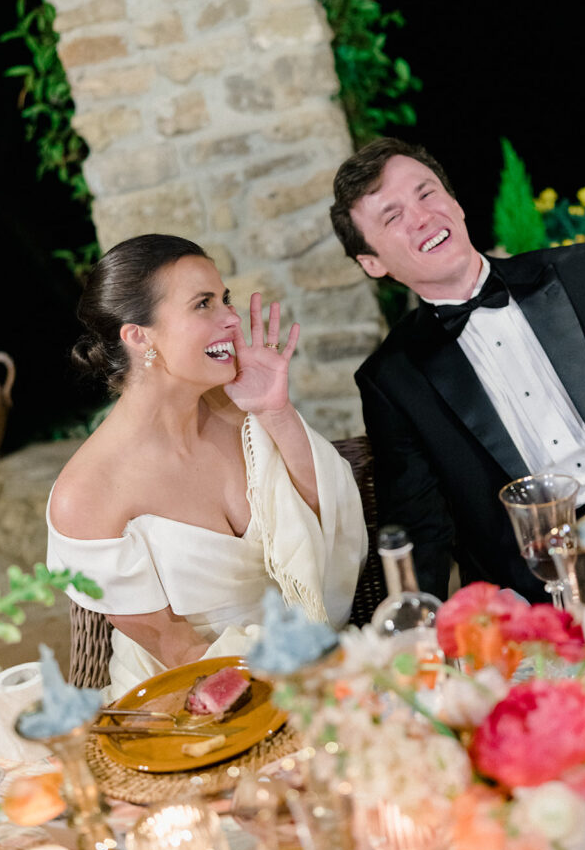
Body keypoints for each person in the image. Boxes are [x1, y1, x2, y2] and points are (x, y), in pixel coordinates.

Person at [330, 137, 585, 603]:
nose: (422, 217)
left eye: (427, 192)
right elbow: (422, 526)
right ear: (371, 262)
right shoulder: (393, 380)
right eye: (392, 217)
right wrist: (414, 630)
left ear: (455, 203)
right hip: (542, 587)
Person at [47, 234, 367, 699]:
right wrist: (293, 681)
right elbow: (176, 649)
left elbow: (330, 524)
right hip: (190, 695)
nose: (231, 319)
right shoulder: (88, 493)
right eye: (203, 304)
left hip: (312, 653)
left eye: (225, 299)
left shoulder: (241, 408)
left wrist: (276, 413)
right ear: (140, 336)